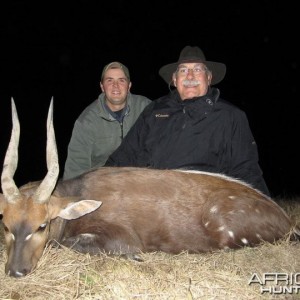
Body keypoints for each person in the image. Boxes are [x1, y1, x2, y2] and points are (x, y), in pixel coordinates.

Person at [105, 46, 270, 196]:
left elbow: (247, 171)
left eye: (197, 69)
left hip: (203, 204)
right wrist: (98, 183)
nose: (190, 76)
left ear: (209, 77)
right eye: (183, 71)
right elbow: (124, 156)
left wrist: (266, 211)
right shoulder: (154, 111)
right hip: (150, 199)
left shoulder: (231, 117)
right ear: (175, 80)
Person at [63, 61, 151, 180]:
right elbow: (75, 169)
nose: (115, 85)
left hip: (140, 178)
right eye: (109, 80)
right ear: (102, 86)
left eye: (121, 80)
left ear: (129, 86)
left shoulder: (145, 107)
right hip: (103, 184)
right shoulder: (87, 121)